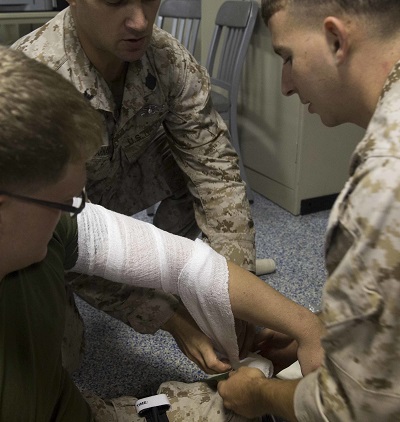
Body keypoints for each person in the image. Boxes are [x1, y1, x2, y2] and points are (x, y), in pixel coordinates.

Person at [0, 46, 323, 421]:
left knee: (243, 405)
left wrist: (306, 325)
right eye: (63, 201)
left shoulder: (56, 224)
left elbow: (186, 263)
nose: (74, 212)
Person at [11, 0, 274, 372]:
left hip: (113, 184)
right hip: (47, 224)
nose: (140, 21)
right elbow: (55, 225)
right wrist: (168, 317)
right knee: (59, 362)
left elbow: (215, 170)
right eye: (115, 0)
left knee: (193, 165)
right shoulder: (34, 80)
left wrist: (232, 295)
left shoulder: (167, 59)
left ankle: (167, 272)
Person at [217, 0, 400, 421]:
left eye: (287, 57)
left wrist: (260, 394)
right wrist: (328, 325)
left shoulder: (382, 185)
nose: (286, 85)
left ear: (336, 39)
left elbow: (353, 408)